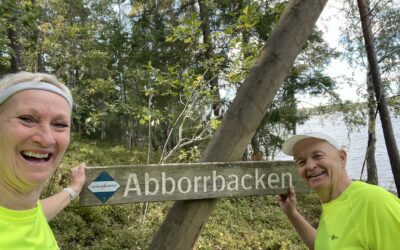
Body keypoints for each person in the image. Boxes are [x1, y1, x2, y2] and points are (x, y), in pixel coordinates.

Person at [0, 71, 86, 249]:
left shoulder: (21, 208)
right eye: (27, 119)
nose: (46, 139)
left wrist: (73, 189)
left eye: (60, 124)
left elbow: (30, 216)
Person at [278, 132, 400, 250]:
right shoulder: (332, 203)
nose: (309, 166)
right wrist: (291, 213)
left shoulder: (374, 201)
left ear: (342, 158)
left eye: (317, 156)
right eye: (301, 162)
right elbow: (326, 246)